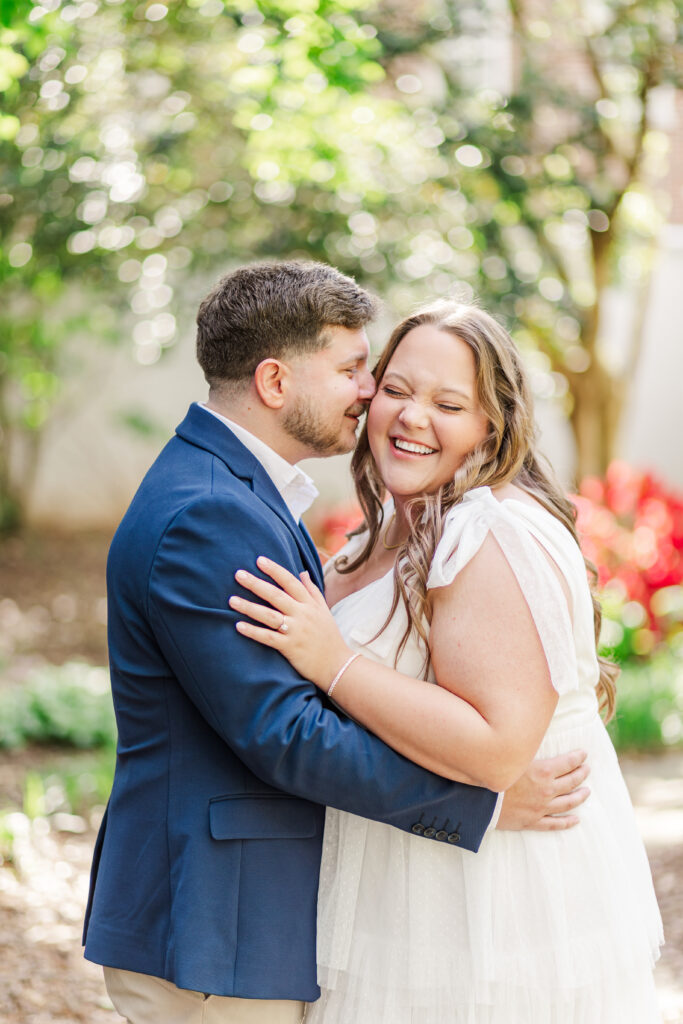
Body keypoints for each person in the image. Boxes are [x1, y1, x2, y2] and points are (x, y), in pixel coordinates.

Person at [83, 263, 590, 1024]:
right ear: (275, 382)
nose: (368, 391)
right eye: (354, 369)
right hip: (216, 925)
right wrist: (477, 806)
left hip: (250, 919)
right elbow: (284, 732)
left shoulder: (242, 492)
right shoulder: (210, 514)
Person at [231, 299, 664, 1023]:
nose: (411, 417)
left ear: (490, 425)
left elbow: (497, 752)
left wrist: (332, 661)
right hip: (400, 873)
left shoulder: (489, 530)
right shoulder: (380, 535)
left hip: (482, 903)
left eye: (448, 403)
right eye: (395, 390)